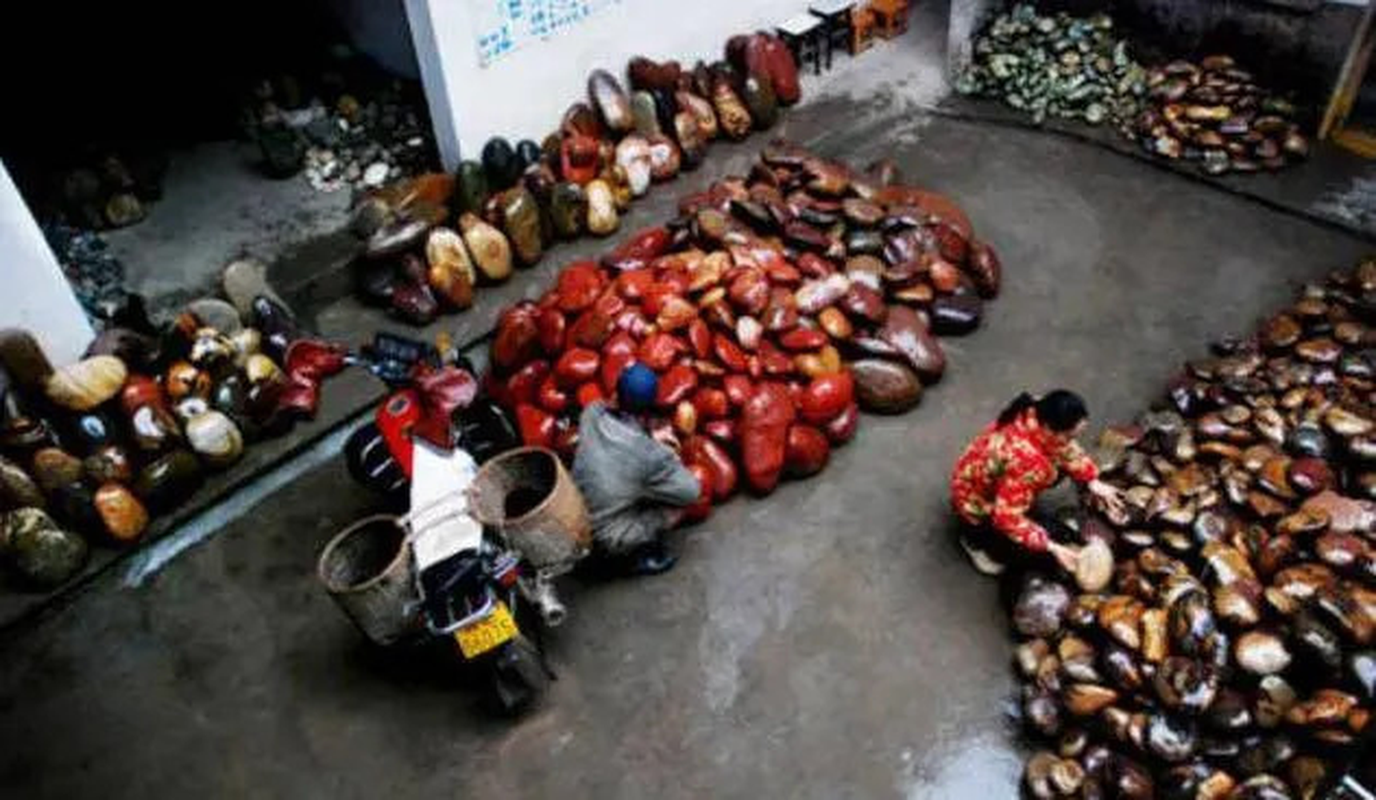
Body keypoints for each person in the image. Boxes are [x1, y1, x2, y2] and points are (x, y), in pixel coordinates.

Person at [950, 389, 1126, 576]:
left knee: (1052, 467)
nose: (1072, 441)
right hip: (974, 501)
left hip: (981, 473)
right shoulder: (1027, 463)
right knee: (1020, 550)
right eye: (1070, 435)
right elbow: (1006, 519)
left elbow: (1065, 447)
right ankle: (973, 540)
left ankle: (1018, 501)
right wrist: (1051, 547)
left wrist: (1091, 479)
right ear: (1050, 428)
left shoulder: (1037, 408)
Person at [571, 363, 702, 576]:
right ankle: (633, 559)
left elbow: (615, 421)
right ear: (650, 408)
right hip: (602, 538)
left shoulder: (591, 413)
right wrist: (664, 451)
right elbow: (691, 491)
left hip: (571, 518)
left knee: (625, 483)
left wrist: (649, 437)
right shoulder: (649, 455)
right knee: (676, 508)